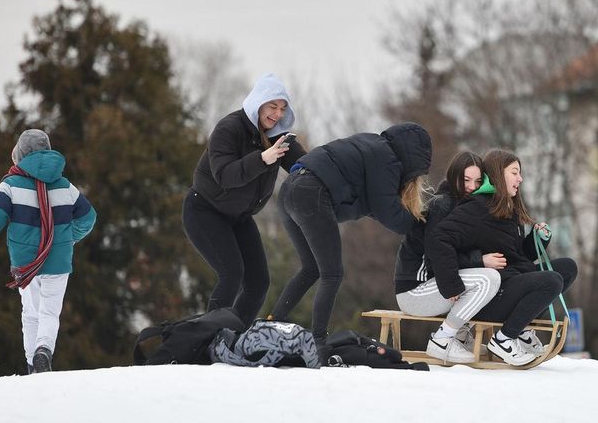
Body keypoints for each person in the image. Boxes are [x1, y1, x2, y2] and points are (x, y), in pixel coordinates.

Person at [270, 122, 432, 345]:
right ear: (413, 158)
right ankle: (319, 343)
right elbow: (390, 213)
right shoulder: (388, 159)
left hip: (290, 189)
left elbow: (372, 205)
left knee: (312, 269)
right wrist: (424, 224)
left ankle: (271, 324)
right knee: (332, 273)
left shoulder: (373, 145)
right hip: (311, 193)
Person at [427, 149, 578, 366]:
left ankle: (523, 328)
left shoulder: (508, 209)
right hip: (491, 297)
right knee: (551, 280)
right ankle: (505, 338)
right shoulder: (478, 208)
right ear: (499, 173)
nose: (520, 179)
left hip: (511, 282)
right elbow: (439, 239)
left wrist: (538, 240)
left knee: (566, 268)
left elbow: (517, 258)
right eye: (515, 172)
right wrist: (454, 283)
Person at [0, 129, 97, 374]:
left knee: (31, 313)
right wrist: (66, 239)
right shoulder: (65, 186)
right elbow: (89, 217)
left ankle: (31, 366)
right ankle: (43, 351)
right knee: (49, 311)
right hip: (57, 262)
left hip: (26, 265)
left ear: (20, 154)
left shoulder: (11, 185)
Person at [183, 73, 306, 327]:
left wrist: (327, 168)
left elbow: (303, 164)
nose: (277, 114)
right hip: (204, 210)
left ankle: (234, 336)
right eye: (272, 106)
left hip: (238, 217)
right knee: (231, 274)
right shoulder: (228, 129)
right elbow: (224, 176)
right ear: (258, 104)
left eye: (282, 108)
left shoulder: (276, 136)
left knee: (258, 283)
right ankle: (208, 340)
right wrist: (263, 158)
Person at [394, 151, 502, 363]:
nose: (472, 187)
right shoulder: (441, 205)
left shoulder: (465, 207)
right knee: (488, 279)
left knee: (494, 277)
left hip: (436, 285)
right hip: (415, 292)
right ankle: (443, 339)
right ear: (454, 177)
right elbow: (436, 257)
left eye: (478, 181)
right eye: (466, 180)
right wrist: (480, 261)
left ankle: (460, 336)